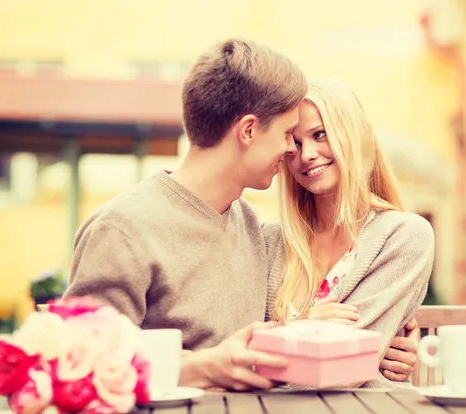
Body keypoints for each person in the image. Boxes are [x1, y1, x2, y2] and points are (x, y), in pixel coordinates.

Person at [63, 39, 418, 391]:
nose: (292, 152)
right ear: (248, 131)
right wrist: (202, 368)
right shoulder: (123, 228)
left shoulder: (248, 227)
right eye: (287, 136)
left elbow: (260, 339)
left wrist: (375, 347)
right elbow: (79, 364)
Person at [263, 78, 435, 388]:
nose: (307, 155)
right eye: (295, 144)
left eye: (320, 135)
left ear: (352, 136)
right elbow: (233, 347)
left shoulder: (405, 236)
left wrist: (280, 339)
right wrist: (304, 330)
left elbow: (345, 371)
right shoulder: (271, 241)